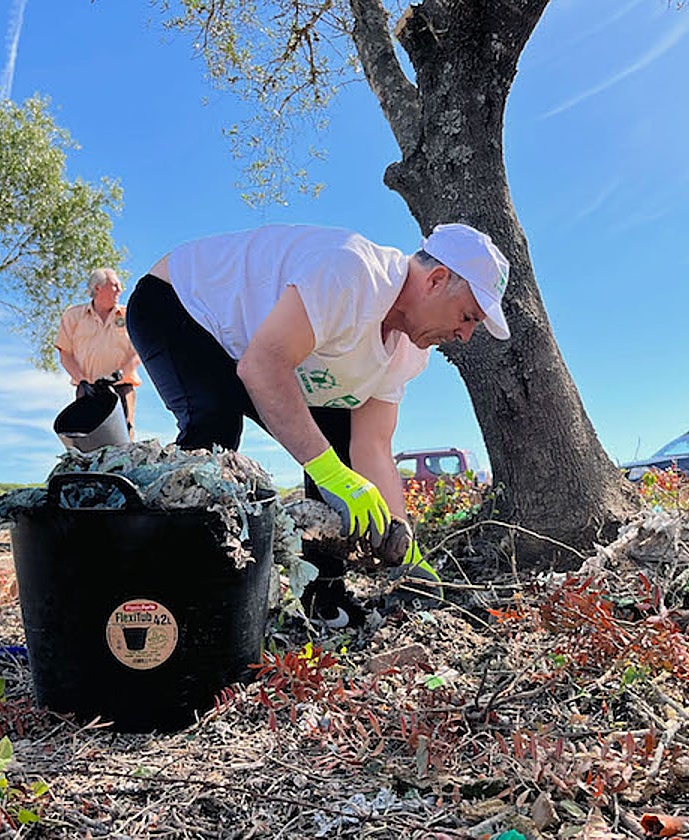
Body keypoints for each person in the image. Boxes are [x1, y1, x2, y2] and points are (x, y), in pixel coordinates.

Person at [125, 223, 510, 620]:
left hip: (259, 349)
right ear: (436, 279)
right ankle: (167, 592)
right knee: (215, 425)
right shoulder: (352, 272)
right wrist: (327, 471)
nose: (465, 335)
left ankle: (323, 595)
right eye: (467, 316)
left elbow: (372, 447)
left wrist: (409, 558)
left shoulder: (409, 354)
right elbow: (262, 365)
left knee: (337, 435)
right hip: (179, 303)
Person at [56, 268, 142, 438]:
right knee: (87, 437)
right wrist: (82, 381)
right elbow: (65, 353)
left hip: (121, 387)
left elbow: (139, 350)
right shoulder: (73, 316)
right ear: (98, 288)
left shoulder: (128, 315)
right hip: (88, 390)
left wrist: (120, 373)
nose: (120, 290)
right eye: (115, 285)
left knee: (123, 435)